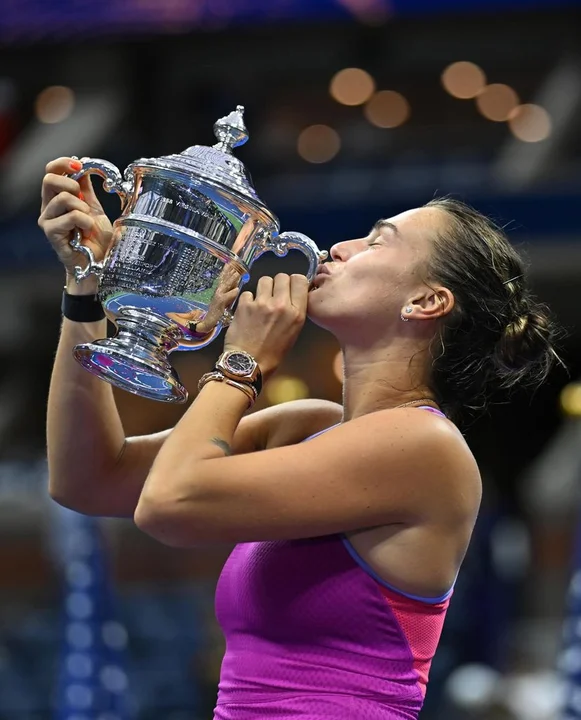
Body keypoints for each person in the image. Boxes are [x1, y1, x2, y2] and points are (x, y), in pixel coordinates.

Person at [39, 156, 561, 720]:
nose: (341, 247)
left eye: (376, 242)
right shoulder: (306, 426)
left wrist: (242, 362)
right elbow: (87, 480)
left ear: (426, 302)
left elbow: (168, 503)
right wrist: (86, 284)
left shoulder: (425, 448)